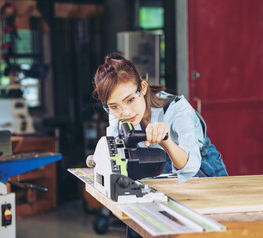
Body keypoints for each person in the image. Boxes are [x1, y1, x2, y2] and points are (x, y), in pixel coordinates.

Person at [92, 52, 228, 183]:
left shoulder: (178, 109)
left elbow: (191, 168)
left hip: (203, 171)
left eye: (130, 100)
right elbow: (114, 153)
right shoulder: (117, 111)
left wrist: (166, 141)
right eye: (114, 106)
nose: (125, 113)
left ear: (143, 88)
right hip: (162, 174)